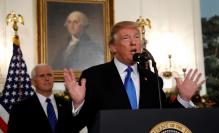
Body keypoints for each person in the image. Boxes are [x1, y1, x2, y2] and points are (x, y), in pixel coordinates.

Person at [64, 21, 205, 132]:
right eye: (126, 38)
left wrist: (183, 98)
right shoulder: (94, 76)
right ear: (113, 47)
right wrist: (77, 104)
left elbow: (167, 121)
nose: (134, 42)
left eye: (137, 37)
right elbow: (73, 126)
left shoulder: (152, 79)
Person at [7, 64, 85, 133]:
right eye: (42, 76)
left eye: (49, 75)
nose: (47, 78)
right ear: (33, 82)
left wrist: (78, 103)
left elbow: (77, 127)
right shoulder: (20, 108)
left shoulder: (66, 103)